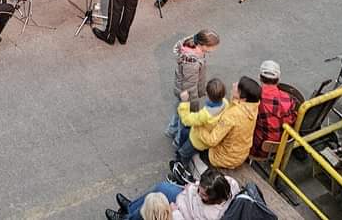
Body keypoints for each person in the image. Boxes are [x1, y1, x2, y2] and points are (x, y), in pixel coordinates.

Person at [174, 76, 260, 170]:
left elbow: (212, 140)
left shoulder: (232, 115)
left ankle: (181, 167)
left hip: (223, 157)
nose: (234, 84)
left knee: (187, 140)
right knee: (187, 132)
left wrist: (198, 127)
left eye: (237, 87)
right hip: (239, 153)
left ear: (243, 99)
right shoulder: (252, 107)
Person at [110, 167, 238, 220]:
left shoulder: (212, 215)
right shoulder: (229, 183)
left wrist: (175, 212)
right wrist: (194, 186)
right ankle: (130, 208)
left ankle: (128, 218)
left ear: (214, 197)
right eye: (200, 189)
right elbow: (202, 185)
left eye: (203, 194)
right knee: (162, 187)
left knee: (154, 205)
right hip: (185, 196)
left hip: (181, 212)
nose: (199, 193)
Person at [165, 30, 222, 143]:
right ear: (203, 45)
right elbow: (190, 86)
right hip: (187, 95)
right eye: (213, 47)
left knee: (179, 111)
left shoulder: (194, 50)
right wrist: (193, 105)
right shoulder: (192, 62)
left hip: (182, 91)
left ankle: (171, 130)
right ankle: (179, 141)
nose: (215, 49)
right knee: (185, 121)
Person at [174, 79, 228, 163]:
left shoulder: (205, 115)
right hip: (209, 135)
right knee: (185, 132)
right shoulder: (225, 103)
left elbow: (186, 120)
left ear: (208, 95)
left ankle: (182, 164)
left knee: (184, 153)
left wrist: (184, 102)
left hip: (197, 141)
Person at [252, 60, 297, 159]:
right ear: (278, 80)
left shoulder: (256, 100)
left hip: (259, 150)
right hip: (284, 146)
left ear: (259, 77)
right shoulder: (288, 98)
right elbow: (293, 118)